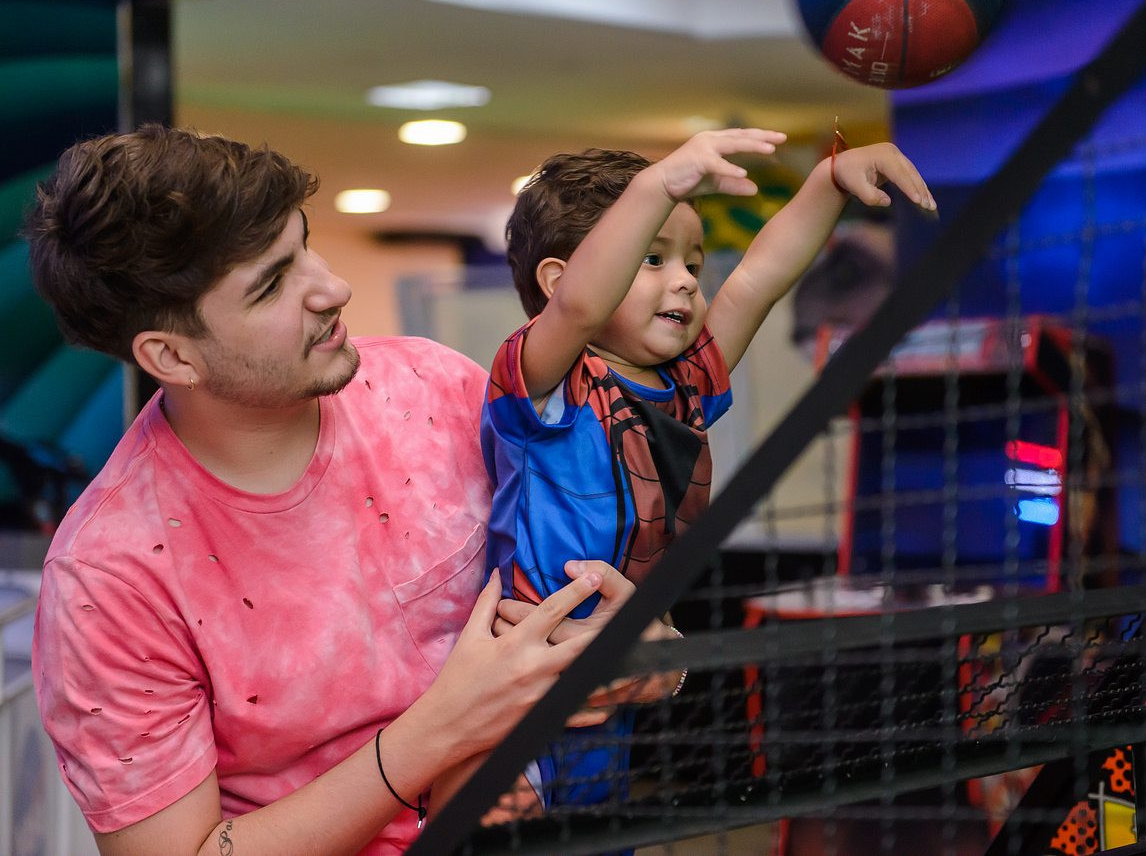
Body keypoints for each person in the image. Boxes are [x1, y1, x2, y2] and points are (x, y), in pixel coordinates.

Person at [25, 124, 675, 855]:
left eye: (304, 245)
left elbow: (599, 588)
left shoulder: (436, 387)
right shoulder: (108, 577)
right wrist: (440, 731)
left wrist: (650, 655)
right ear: (171, 356)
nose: (333, 288)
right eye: (273, 283)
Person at [434, 128, 936, 811]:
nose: (686, 280)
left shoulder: (683, 384)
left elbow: (757, 279)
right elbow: (580, 308)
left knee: (601, 826)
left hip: (613, 669)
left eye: (692, 264)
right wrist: (657, 184)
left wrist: (827, 184)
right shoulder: (543, 382)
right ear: (556, 280)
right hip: (519, 685)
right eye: (652, 258)